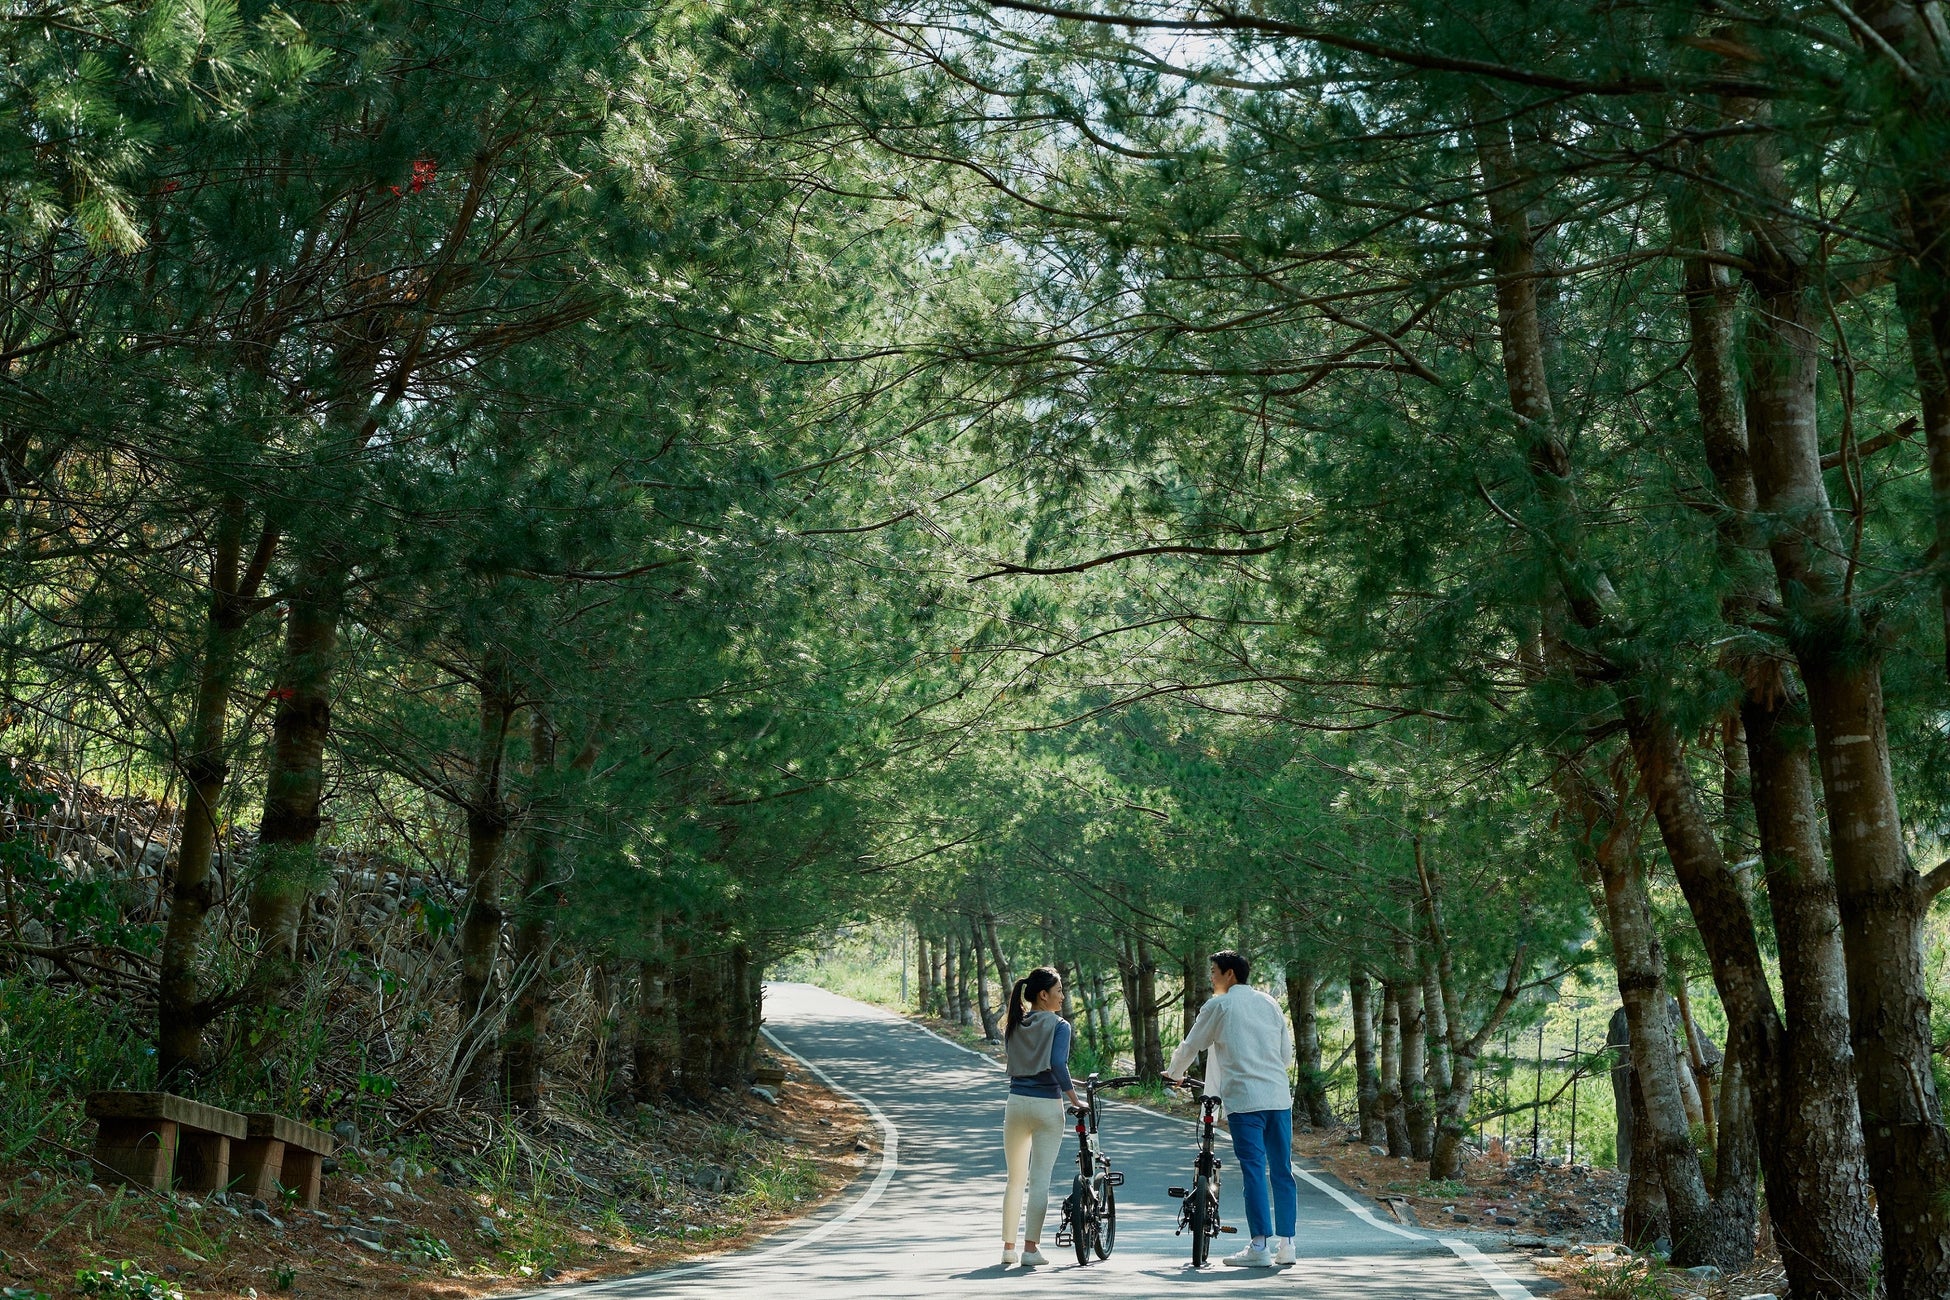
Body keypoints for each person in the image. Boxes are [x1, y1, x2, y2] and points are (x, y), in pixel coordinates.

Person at [1165, 950, 1298, 1268]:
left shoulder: (1219, 1005)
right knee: (1282, 1170)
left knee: (1254, 1169)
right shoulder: (1269, 1003)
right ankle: (1288, 1245)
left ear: (1229, 975)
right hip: (1278, 1098)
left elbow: (1191, 1045)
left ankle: (1259, 1247)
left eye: (1213, 971)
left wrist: (1174, 1073)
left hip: (1245, 1101)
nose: (1210, 977)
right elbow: (1286, 1055)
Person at [999, 966, 1080, 1267]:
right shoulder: (1060, 1025)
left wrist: (1072, 1083)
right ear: (1044, 995)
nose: (1062, 996)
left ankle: (1008, 1248)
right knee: (1040, 1180)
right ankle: (1030, 1249)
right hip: (1047, 1106)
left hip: (1016, 1103)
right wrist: (1075, 1099)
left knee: (1014, 1180)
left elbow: (1030, 1062)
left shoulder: (1014, 1023)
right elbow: (1057, 1064)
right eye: (1059, 990)